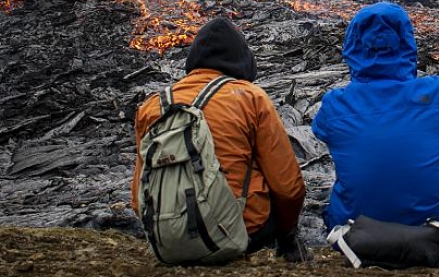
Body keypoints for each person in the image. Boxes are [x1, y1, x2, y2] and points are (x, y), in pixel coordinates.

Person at [131, 16, 312, 262]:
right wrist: (288, 232)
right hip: (242, 233)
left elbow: (137, 195)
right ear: (243, 60)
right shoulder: (250, 97)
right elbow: (288, 188)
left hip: (167, 237)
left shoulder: (153, 106)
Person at [312, 2, 439, 247]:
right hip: (435, 232)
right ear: (406, 42)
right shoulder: (437, 93)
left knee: (352, 143)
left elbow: (321, 130)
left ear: (354, 46)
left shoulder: (335, 104)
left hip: (352, 233)